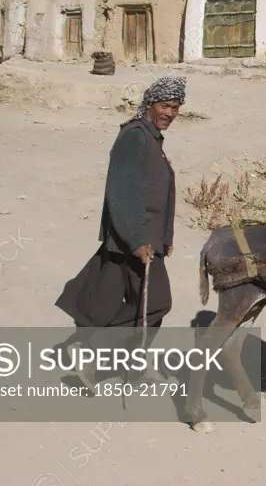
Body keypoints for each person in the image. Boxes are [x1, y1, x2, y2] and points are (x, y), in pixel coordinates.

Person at [55, 75, 185, 383]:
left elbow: (160, 192)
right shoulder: (134, 136)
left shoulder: (152, 139)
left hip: (146, 238)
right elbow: (121, 192)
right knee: (157, 304)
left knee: (103, 304)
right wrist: (137, 239)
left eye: (176, 107)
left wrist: (165, 236)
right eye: (165, 106)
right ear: (150, 104)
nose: (170, 113)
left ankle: (129, 365)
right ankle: (88, 347)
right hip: (134, 240)